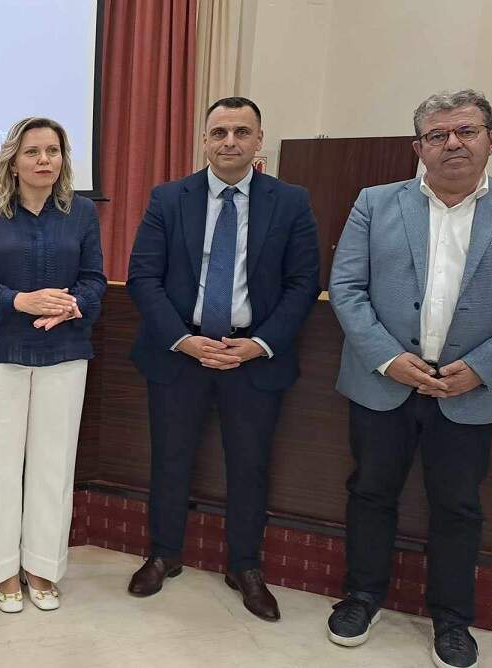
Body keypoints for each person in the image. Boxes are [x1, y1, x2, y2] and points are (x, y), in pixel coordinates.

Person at [327, 89, 492, 668]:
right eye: (437, 135)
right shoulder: (375, 202)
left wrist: (481, 368)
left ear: (491, 139)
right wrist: (388, 358)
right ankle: (361, 597)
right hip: (384, 382)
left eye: (466, 131)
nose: (452, 143)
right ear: (419, 148)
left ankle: (452, 620)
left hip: (471, 390)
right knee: (370, 492)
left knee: (457, 506)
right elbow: (347, 287)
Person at [125, 97, 320, 621]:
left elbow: (304, 283)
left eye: (240, 132)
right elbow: (143, 277)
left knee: (250, 466)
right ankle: (163, 554)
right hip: (180, 354)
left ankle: (245, 566)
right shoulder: (169, 198)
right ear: (204, 140)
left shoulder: (291, 201)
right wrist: (182, 340)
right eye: (218, 132)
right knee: (170, 459)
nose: (229, 142)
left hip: (252, 358)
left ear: (259, 140)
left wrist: (259, 344)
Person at [0, 117, 106, 613]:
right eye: (33, 152)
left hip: (64, 352)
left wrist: (72, 305)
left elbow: (94, 279)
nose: (44, 160)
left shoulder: (82, 212)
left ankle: (43, 565)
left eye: (53, 151)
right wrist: (21, 301)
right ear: (13, 161)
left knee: (54, 464)